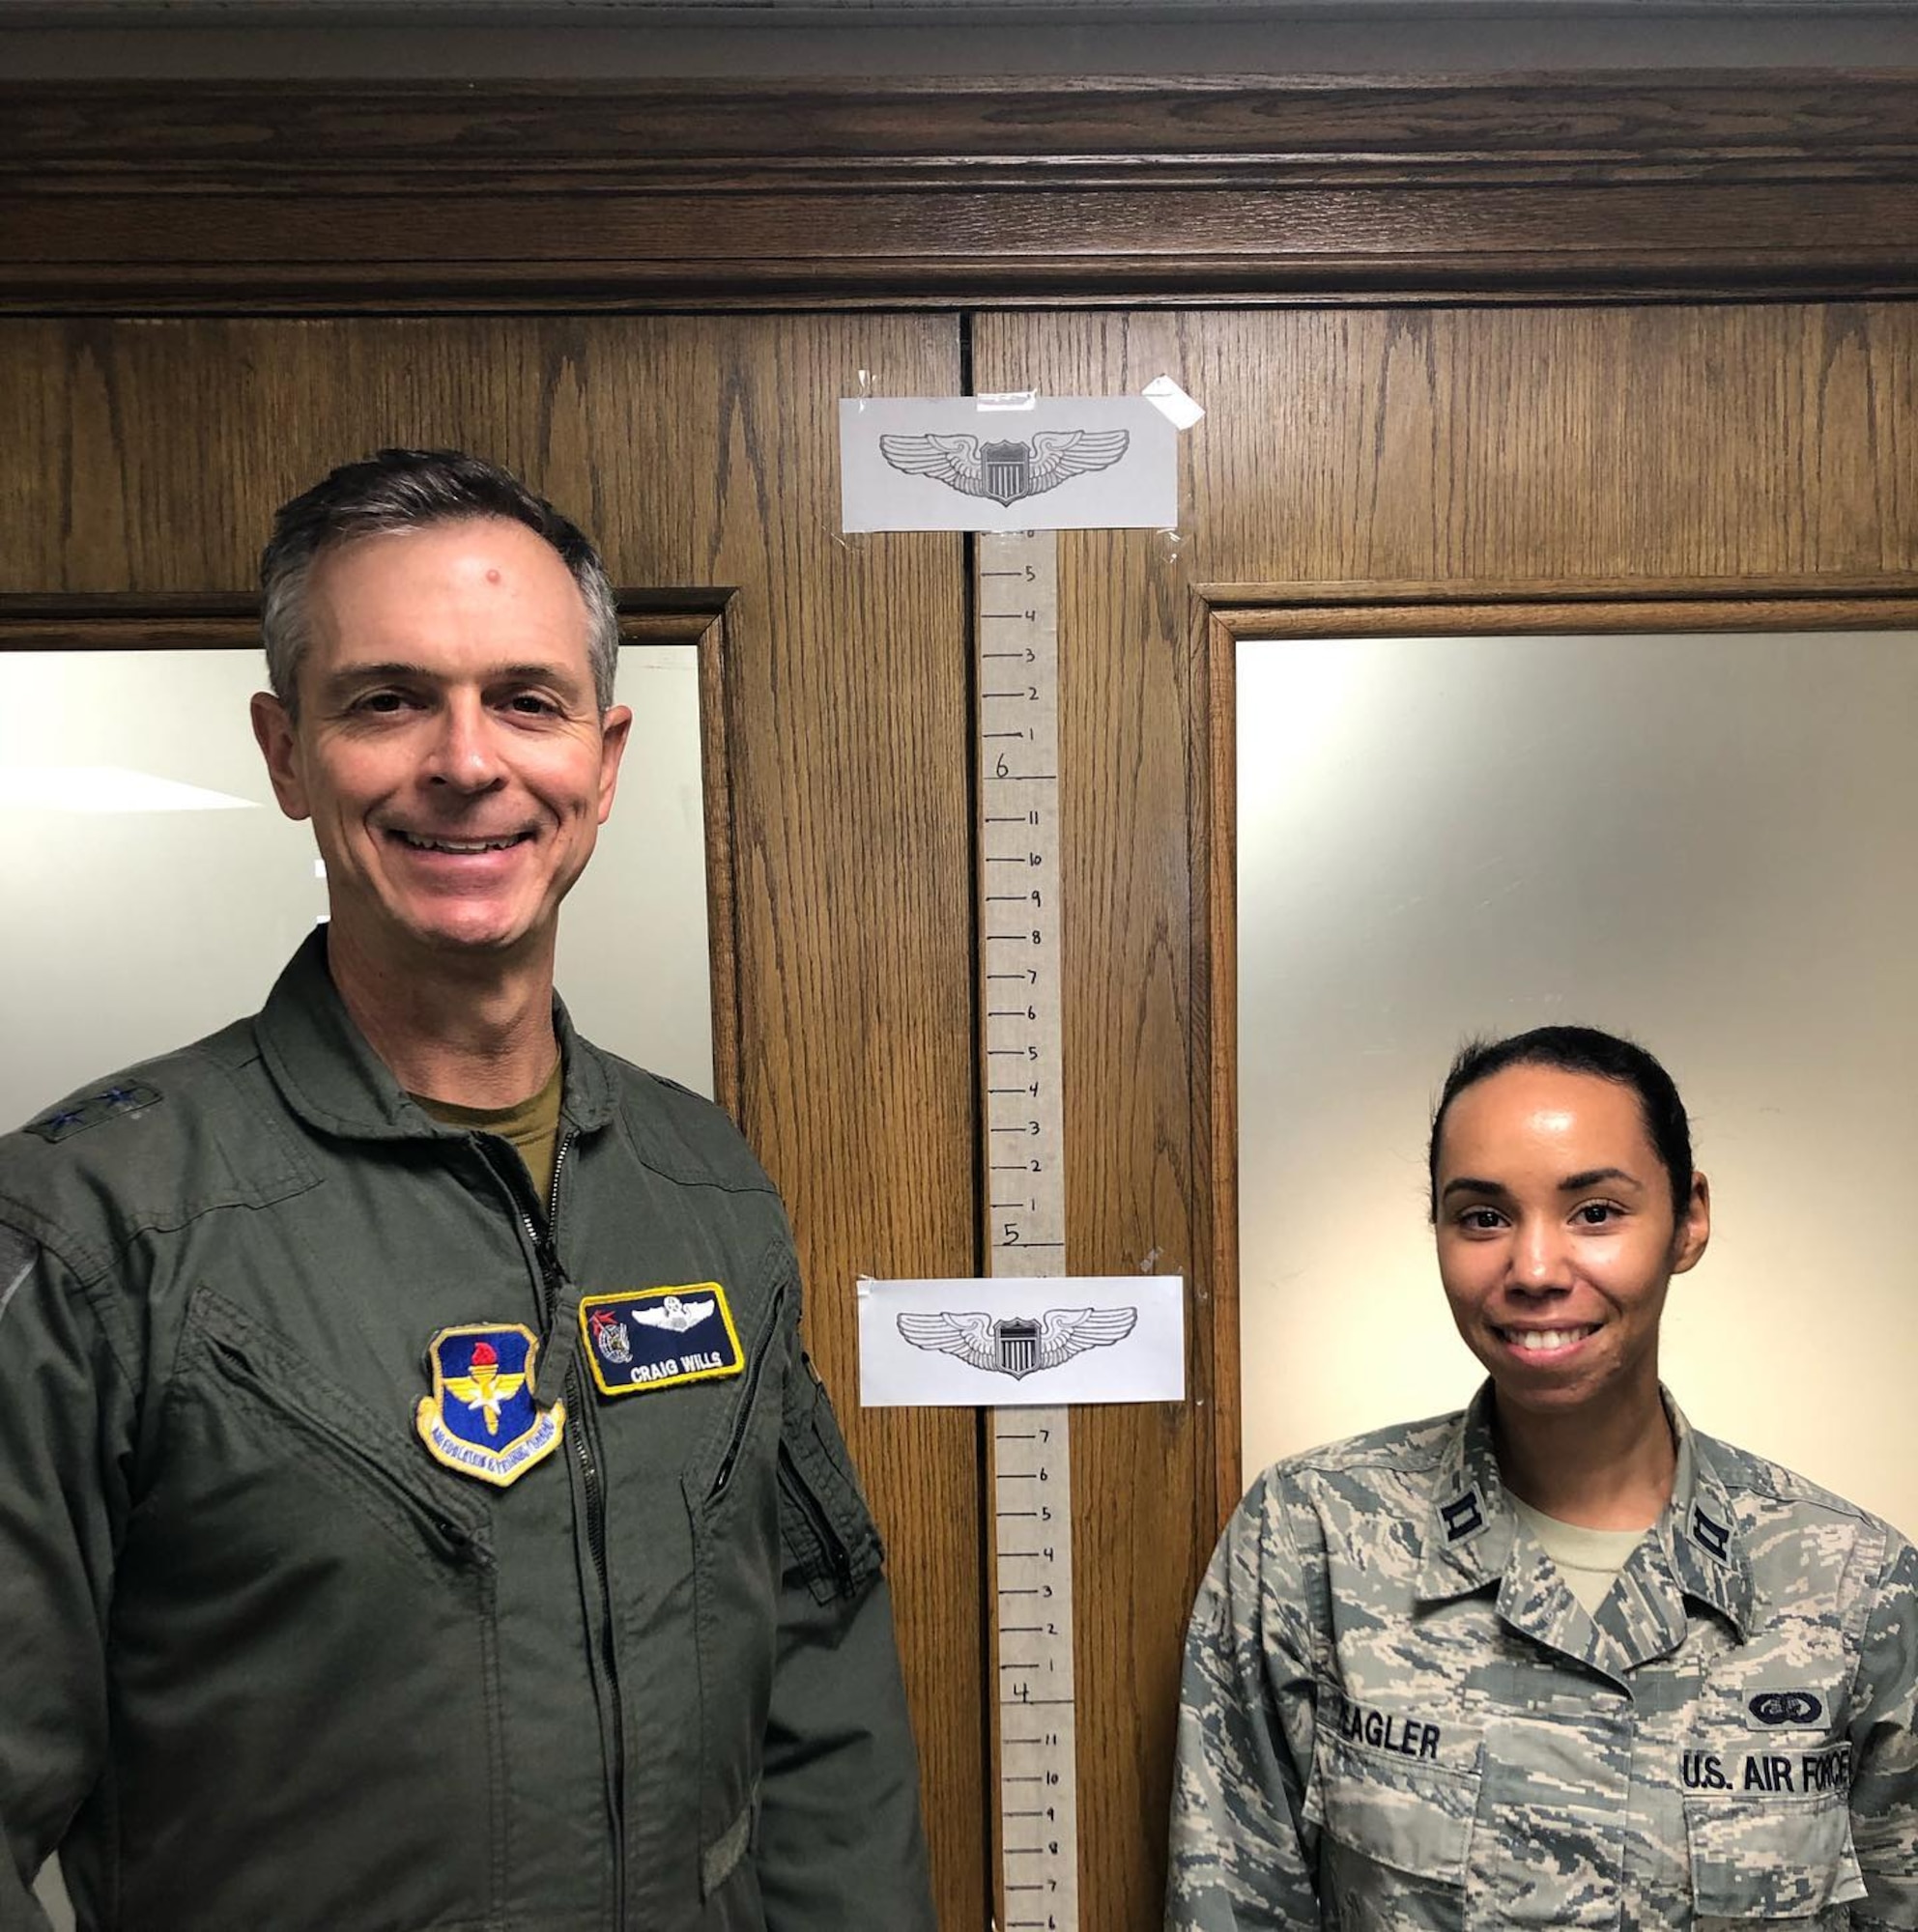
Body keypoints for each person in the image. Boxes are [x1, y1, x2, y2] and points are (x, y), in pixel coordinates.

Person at [0, 449, 935, 1931]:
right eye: (386, 699)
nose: (465, 760)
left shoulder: (707, 1191)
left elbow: (818, 1675)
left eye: (526, 699)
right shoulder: (93, 1224)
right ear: (286, 748)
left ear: (605, 759)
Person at [1168, 1026, 1918, 1929]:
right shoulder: (1313, 1539)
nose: (1531, 1271)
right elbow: (1231, 1906)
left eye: (1595, 1212)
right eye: (1481, 1216)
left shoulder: (1848, 1581)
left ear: (1688, 1219)